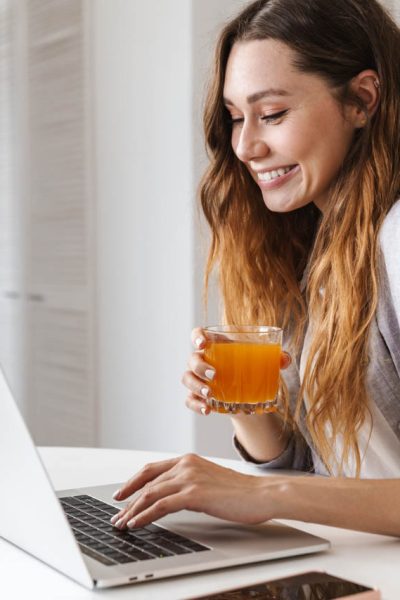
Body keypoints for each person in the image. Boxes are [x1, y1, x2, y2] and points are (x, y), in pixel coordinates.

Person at [110, 0, 400, 536]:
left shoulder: (395, 237)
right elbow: (318, 478)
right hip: (348, 557)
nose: (245, 146)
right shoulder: (312, 247)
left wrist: (261, 491)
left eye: (272, 114)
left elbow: (292, 490)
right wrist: (244, 404)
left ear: (362, 99)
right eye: (236, 117)